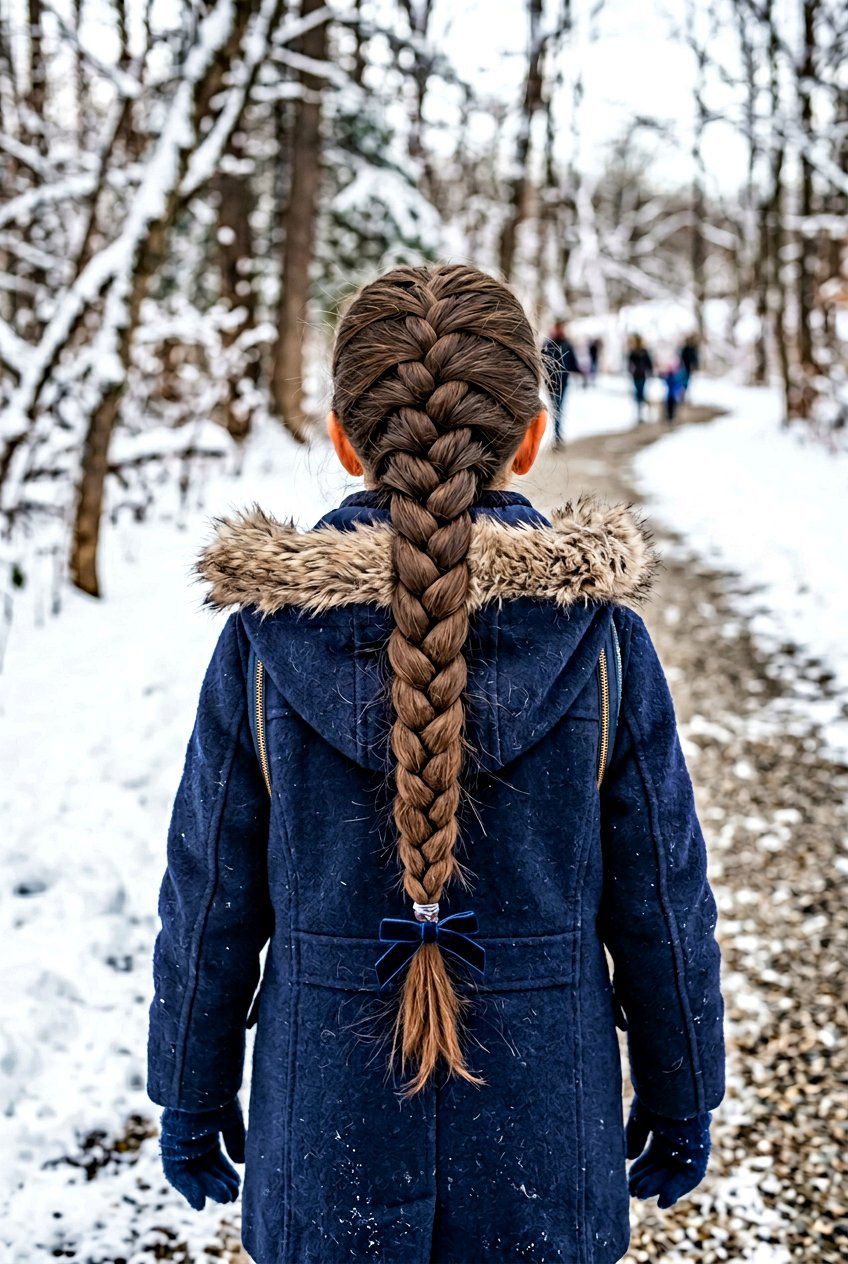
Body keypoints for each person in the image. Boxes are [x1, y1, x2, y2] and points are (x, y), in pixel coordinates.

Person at [148, 264, 725, 1264]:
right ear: (529, 437)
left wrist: (188, 1092)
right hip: (545, 1136)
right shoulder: (600, 644)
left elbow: (209, 900)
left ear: (340, 435)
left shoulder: (264, 642)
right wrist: (682, 1091)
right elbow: (660, 903)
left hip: (325, 1136)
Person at [541, 318, 578, 447]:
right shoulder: (548, 343)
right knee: (556, 407)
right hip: (551, 383)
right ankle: (556, 436)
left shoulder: (567, 343)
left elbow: (573, 361)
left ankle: (557, 436)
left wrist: (580, 373)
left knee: (559, 408)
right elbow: (541, 363)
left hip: (564, 381)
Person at [627, 334, 653, 423]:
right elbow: (629, 365)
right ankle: (640, 413)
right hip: (636, 375)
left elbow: (649, 363)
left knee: (641, 392)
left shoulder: (643, 352)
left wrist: (649, 371)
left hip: (642, 375)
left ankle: (643, 410)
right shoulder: (633, 352)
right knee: (638, 393)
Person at [662, 359, 686, 424]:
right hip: (670, 396)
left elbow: (677, 385)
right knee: (670, 406)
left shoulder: (674, 377)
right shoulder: (669, 377)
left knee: (672, 406)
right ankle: (670, 417)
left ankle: (671, 417)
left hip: (672, 396)